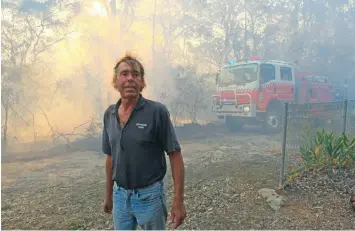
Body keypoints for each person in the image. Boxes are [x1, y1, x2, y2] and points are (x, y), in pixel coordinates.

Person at [101, 53, 186, 230]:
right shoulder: (109, 115)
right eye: (124, 74)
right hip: (120, 197)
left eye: (136, 74)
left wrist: (178, 200)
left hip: (150, 198)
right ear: (115, 82)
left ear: (142, 82)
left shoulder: (157, 112)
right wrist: (108, 195)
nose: (130, 78)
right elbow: (110, 158)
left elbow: (175, 155)